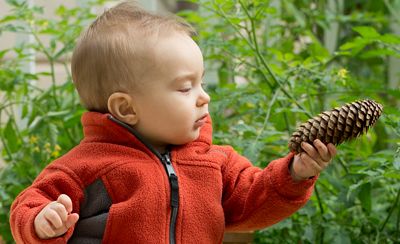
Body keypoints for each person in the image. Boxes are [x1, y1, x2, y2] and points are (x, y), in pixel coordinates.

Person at [9, 1, 337, 243]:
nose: (204, 96)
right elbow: (30, 203)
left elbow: (255, 200)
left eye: (202, 82)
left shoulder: (215, 163)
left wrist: (296, 173)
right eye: (185, 87)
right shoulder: (89, 167)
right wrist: (42, 221)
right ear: (126, 108)